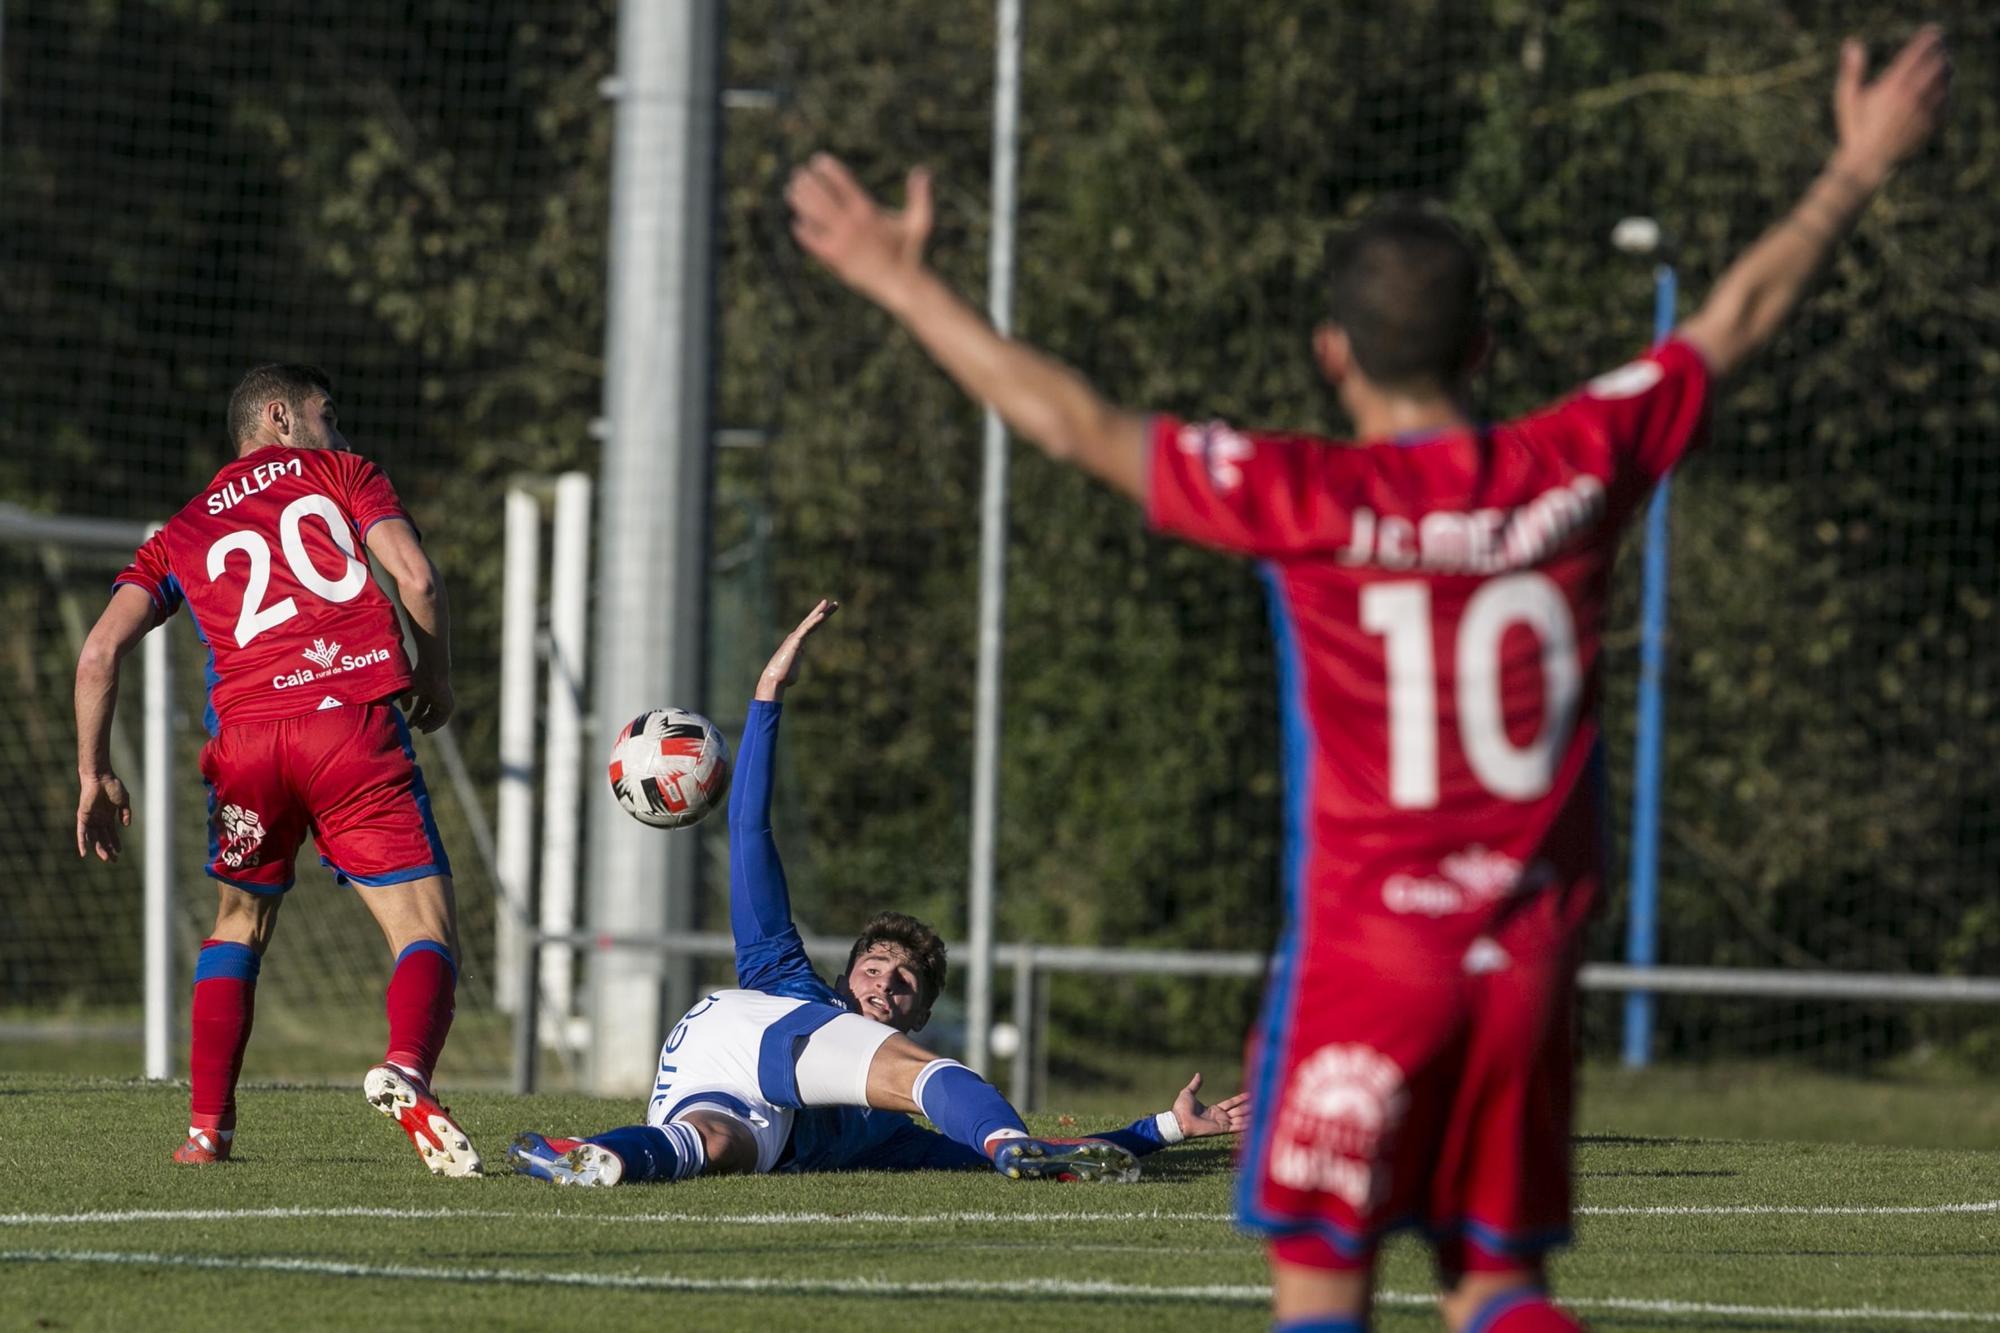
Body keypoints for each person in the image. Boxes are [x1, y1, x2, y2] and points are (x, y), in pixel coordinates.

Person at [784, 26, 1950, 1332]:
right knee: (1497, 1286)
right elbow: (1730, 321)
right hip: (1524, 962)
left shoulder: (1309, 497)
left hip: (1363, 960)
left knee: (1323, 1297)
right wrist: (1854, 167)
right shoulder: (1573, 468)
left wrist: (902, 282)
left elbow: (1074, 422)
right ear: (1487, 348)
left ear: (1334, 351)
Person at [511, 600, 1249, 1187]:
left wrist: (1169, 1128)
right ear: (843, 976)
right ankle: (1006, 1135)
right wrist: (767, 696)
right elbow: (750, 833)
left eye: (905, 981)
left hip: (725, 1103)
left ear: (923, 1011)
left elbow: (1061, 1153)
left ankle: (587, 1154)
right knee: (940, 1080)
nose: (886, 981)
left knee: (718, 1147)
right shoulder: (784, 972)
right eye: (874, 965)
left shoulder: (891, 1133)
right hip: (742, 1032)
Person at [74, 363, 480, 1177]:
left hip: (249, 745)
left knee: (238, 924)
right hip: (349, 725)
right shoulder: (343, 473)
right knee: (423, 928)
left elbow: (99, 651)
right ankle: (404, 1066)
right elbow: (419, 579)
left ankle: (206, 1132)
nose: (342, 432)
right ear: (280, 416)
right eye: (329, 414)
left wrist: (93, 772)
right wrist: (433, 677)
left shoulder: (179, 530)